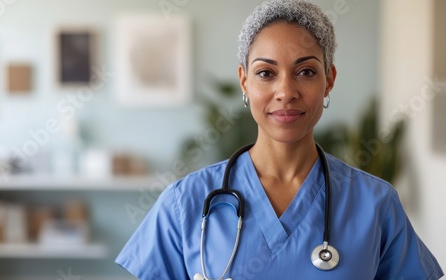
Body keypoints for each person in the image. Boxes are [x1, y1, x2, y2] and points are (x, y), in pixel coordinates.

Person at [115, 0, 444, 279]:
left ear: (328, 80)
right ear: (244, 82)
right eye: (265, 73)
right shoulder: (185, 202)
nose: (286, 92)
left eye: (306, 72)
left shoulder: (376, 204)